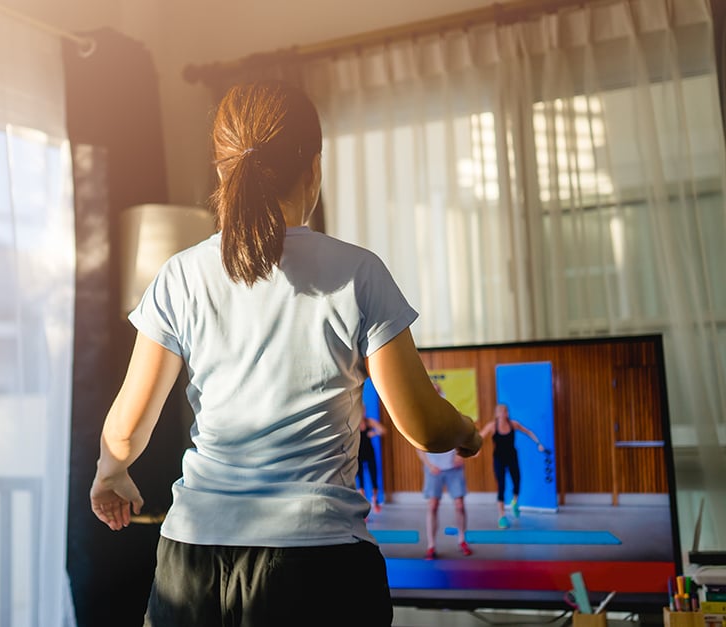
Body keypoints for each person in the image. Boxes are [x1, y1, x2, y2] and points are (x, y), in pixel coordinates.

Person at [89, 80, 482, 627]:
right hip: (318, 562)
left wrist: (111, 474)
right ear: (314, 169)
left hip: (194, 560)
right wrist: (465, 431)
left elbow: (126, 433)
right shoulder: (357, 271)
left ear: (222, 171)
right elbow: (426, 429)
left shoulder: (179, 276)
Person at [479, 403, 546, 528]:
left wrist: (538, 443)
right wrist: (475, 450)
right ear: (497, 414)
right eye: (501, 412)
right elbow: (479, 438)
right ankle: (502, 516)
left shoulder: (513, 424)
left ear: (507, 413)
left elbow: (528, 432)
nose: (504, 414)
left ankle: (514, 502)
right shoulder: (492, 426)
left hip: (512, 457)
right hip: (499, 459)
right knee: (501, 486)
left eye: (505, 412)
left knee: (517, 481)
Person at [417, 448, 471, 559]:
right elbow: (418, 446)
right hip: (433, 467)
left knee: (459, 505)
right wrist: (428, 464)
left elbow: (466, 439)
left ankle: (462, 540)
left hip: (454, 467)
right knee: (432, 505)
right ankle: (431, 545)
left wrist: (461, 455)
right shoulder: (427, 430)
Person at [357, 378, 386, 512]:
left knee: (373, 475)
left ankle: (375, 500)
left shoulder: (369, 422)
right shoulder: (354, 424)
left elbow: (382, 430)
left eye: (363, 410)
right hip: (358, 453)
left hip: (369, 452)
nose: (362, 413)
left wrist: (373, 433)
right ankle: (363, 505)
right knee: (360, 478)